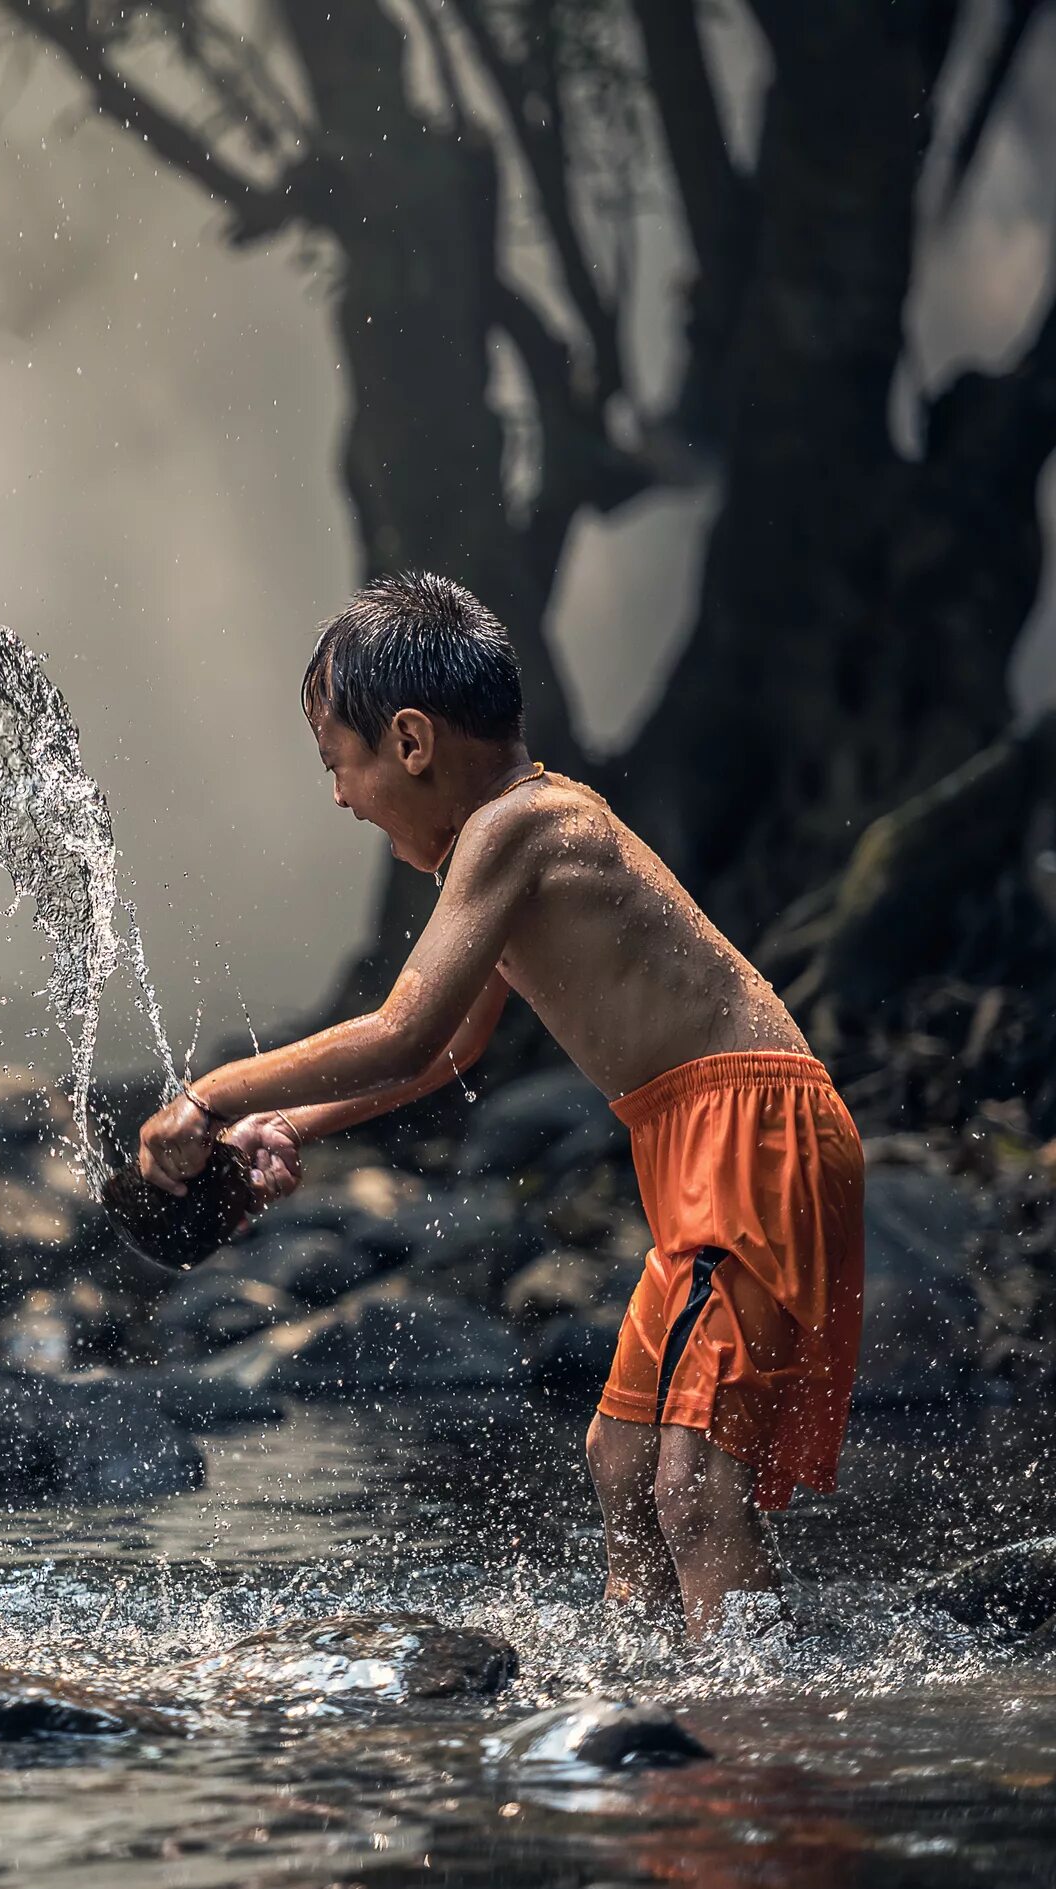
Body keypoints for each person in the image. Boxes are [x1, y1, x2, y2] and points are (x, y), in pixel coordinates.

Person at [137, 574, 862, 1642]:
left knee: (694, 1481)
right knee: (622, 1461)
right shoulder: (511, 843)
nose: (340, 797)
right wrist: (293, 1126)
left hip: (750, 1139)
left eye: (339, 763)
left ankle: (749, 1747)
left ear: (413, 742)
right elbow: (446, 1055)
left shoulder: (523, 824)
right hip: (707, 1143)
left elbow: (403, 1031)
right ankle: (644, 1699)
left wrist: (207, 1098)